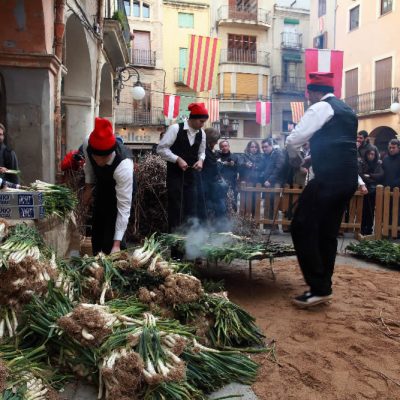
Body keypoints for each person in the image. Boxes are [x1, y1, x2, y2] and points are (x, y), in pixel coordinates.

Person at [286, 72, 358, 308]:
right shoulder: (347, 111)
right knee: (326, 232)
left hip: (328, 180)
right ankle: (323, 286)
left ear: (312, 93)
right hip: (347, 180)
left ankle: (318, 287)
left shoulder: (320, 107)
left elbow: (293, 139)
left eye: (309, 96)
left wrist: (295, 158)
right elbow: (339, 145)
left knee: (301, 226)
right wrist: (312, 159)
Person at [82, 118, 134, 255]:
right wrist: (88, 188)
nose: (98, 161)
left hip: (120, 193)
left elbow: (124, 208)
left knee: (112, 242)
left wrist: (116, 244)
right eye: (95, 156)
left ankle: (117, 259)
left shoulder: (124, 166)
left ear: (110, 153)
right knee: (97, 234)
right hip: (102, 187)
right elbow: (89, 167)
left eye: (103, 158)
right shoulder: (88, 142)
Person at [157, 103, 207, 232]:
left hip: (192, 177)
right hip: (175, 176)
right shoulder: (175, 128)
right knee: (176, 209)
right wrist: (177, 159)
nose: (203, 124)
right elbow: (161, 149)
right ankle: (176, 248)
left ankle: (190, 245)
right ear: (193, 118)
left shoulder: (202, 133)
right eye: (201, 121)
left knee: (192, 209)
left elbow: (202, 152)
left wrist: (201, 160)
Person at [198, 128, 228, 225]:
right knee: (219, 210)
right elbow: (213, 170)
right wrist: (219, 163)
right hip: (210, 188)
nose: (216, 143)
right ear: (210, 140)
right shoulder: (206, 152)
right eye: (215, 141)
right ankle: (219, 231)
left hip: (209, 187)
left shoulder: (207, 150)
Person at [359, 148, 383, 235]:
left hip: (373, 190)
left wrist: (370, 175)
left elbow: (380, 175)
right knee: (362, 209)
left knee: (371, 209)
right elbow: (360, 174)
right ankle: (362, 228)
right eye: (369, 154)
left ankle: (369, 228)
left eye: (372, 154)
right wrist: (371, 179)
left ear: (375, 155)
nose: (370, 156)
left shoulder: (377, 163)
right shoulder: (362, 162)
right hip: (363, 188)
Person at [217, 140, 239, 211]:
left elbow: (239, 168)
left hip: (232, 184)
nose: (224, 148)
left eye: (226, 146)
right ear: (220, 148)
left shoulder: (234, 156)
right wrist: (222, 163)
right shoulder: (217, 156)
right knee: (222, 203)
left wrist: (233, 164)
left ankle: (233, 220)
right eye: (222, 146)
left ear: (229, 147)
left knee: (233, 203)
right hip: (221, 184)